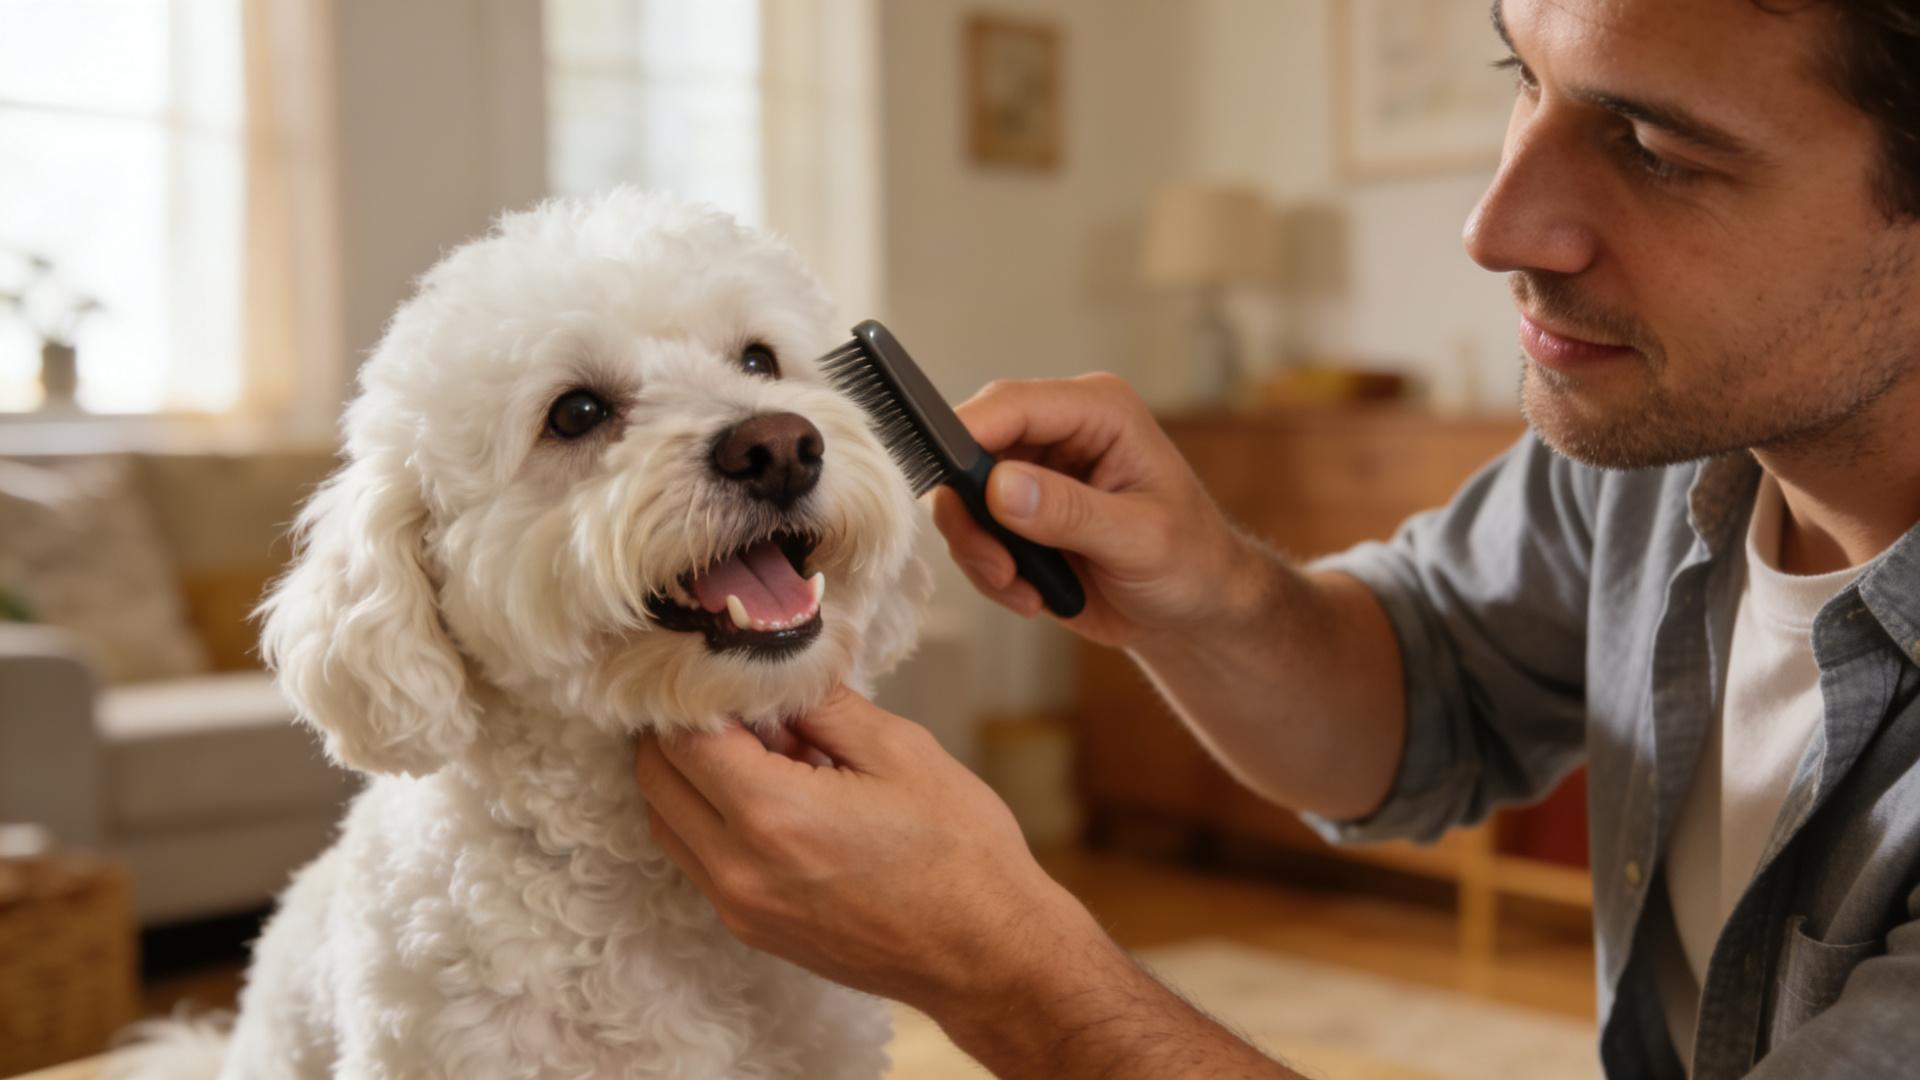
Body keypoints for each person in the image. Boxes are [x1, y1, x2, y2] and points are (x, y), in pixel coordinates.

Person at [633, 0, 1920, 1075]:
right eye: (1519, 75)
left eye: (1650, 144)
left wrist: (1001, 966)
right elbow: (1419, 698)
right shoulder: (1670, 434)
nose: (1494, 226)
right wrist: (1208, 595)